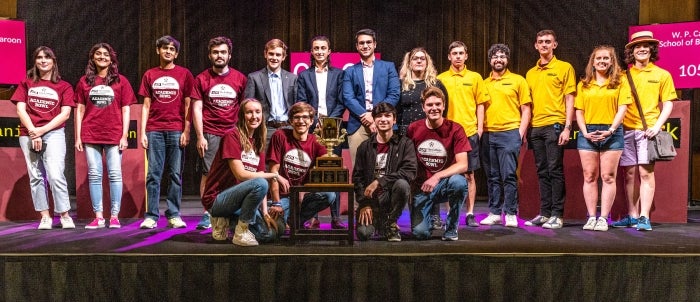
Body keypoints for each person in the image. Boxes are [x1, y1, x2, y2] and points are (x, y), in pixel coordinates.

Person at [612, 30, 676, 231]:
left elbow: (668, 104)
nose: (641, 49)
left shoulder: (662, 74)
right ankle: (632, 215)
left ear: (651, 50)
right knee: (629, 174)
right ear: (631, 51)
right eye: (637, 46)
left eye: (645, 46)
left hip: (647, 132)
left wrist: (657, 126)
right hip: (626, 131)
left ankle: (644, 217)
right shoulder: (623, 76)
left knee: (646, 174)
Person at [202, 98, 282, 246]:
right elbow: (241, 175)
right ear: (241, 116)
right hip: (218, 199)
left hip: (239, 202)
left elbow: (260, 180)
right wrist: (275, 175)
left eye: (257, 112)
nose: (254, 116)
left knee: (269, 234)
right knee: (260, 182)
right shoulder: (231, 135)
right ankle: (240, 232)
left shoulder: (258, 142)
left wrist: (264, 213)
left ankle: (226, 220)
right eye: (249, 112)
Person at [12, 46, 75, 230]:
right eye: (39, 57)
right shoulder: (27, 83)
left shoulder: (64, 86)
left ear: (53, 61)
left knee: (55, 174)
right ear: (35, 61)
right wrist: (33, 131)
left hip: (53, 132)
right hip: (28, 133)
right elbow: (20, 109)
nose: (43, 60)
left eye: (47, 57)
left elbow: (65, 115)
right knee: (36, 176)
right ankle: (45, 216)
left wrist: (42, 130)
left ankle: (64, 214)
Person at [74, 43, 136, 229]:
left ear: (112, 59)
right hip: (91, 133)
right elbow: (79, 110)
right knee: (94, 175)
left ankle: (114, 216)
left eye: (106, 54)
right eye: (98, 54)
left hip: (114, 134)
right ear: (92, 58)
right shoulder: (84, 81)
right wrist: (78, 136)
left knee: (115, 174)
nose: (102, 57)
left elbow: (126, 110)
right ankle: (99, 217)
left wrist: (124, 135)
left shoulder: (121, 81)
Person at [138, 35, 194, 229]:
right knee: (153, 174)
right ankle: (151, 215)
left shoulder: (185, 74)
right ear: (158, 50)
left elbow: (188, 104)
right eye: (164, 48)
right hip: (154, 130)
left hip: (176, 129)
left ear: (176, 53)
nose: (168, 51)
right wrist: (143, 131)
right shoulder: (150, 74)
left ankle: (174, 214)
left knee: (175, 174)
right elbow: (146, 105)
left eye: (172, 49)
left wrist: (186, 130)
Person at [191, 36, 247, 230]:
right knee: (208, 173)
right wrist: (199, 136)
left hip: (233, 133)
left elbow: (244, 109)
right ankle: (207, 213)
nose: (219, 55)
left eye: (223, 52)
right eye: (215, 52)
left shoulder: (240, 78)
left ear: (229, 55)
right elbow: (196, 109)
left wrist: (244, 135)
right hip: (210, 133)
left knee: (235, 174)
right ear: (210, 55)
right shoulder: (201, 79)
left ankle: (230, 211)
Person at [524, 30, 576, 229]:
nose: (544, 45)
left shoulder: (564, 68)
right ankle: (545, 213)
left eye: (548, 42)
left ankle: (557, 214)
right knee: (542, 170)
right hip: (536, 127)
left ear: (555, 45)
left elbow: (570, 98)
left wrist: (567, 127)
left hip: (555, 125)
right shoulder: (530, 73)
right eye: (540, 42)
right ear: (535, 46)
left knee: (555, 170)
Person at [575, 45, 631, 231]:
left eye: (606, 58)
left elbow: (623, 108)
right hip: (588, 132)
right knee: (590, 176)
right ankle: (591, 217)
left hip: (612, 132)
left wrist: (611, 129)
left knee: (608, 176)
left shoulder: (620, 81)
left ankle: (603, 218)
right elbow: (579, 112)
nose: (602, 61)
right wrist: (584, 132)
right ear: (593, 61)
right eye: (598, 58)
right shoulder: (584, 84)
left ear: (611, 61)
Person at [295, 35, 346, 229]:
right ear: (312, 51)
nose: (319, 51)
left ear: (329, 51)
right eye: (316, 48)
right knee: (312, 172)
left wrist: (329, 122)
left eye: (323, 48)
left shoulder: (339, 74)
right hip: (312, 129)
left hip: (334, 129)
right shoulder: (304, 75)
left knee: (334, 172)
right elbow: (302, 100)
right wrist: (315, 122)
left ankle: (335, 217)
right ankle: (313, 216)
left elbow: (342, 101)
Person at [437, 41, 489, 228]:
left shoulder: (475, 77)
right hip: (446, 134)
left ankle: (469, 213)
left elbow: (480, 104)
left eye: (461, 53)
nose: (458, 56)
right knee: (447, 175)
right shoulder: (440, 78)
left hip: (468, 132)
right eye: (454, 53)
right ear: (449, 57)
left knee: (469, 175)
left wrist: (480, 128)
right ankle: (451, 212)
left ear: (466, 56)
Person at [479, 44, 532, 228]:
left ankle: (510, 212)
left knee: (509, 175)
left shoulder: (518, 80)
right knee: (492, 176)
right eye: (495, 56)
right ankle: (494, 212)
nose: (498, 59)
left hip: (510, 132)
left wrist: (519, 133)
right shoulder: (483, 83)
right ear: (490, 60)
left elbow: (526, 109)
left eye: (502, 56)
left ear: (507, 60)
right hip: (487, 134)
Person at [408, 87, 469, 241]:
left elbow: (463, 165)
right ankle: (426, 221)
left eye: (437, 104)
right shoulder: (414, 129)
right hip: (421, 188)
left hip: (443, 184)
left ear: (443, 105)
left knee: (459, 182)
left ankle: (451, 227)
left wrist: (437, 176)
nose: (434, 108)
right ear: (423, 107)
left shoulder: (456, 129)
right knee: (420, 234)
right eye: (429, 105)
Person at [398, 47, 449, 232]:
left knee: (431, 172)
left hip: (430, 136)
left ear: (427, 62)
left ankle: (435, 215)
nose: (419, 61)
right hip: (407, 135)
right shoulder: (402, 84)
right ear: (409, 62)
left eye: (422, 59)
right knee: (412, 176)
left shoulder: (436, 84)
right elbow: (396, 111)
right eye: (415, 59)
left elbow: (445, 111)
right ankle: (416, 215)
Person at [266, 102, 338, 228]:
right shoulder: (280, 136)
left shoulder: (316, 141)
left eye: (305, 117)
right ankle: (288, 221)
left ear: (311, 121)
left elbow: (327, 165)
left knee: (329, 195)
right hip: (283, 197)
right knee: (276, 229)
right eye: (297, 117)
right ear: (291, 121)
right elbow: (273, 173)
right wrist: (276, 203)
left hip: (303, 196)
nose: (301, 121)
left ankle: (295, 221)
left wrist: (304, 190)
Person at [354, 103, 417, 241]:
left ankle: (391, 222)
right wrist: (364, 204)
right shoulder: (364, 147)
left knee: (402, 184)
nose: (383, 119)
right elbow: (357, 178)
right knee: (363, 234)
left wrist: (379, 181)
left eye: (387, 116)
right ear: (374, 120)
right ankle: (380, 223)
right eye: (379, 116)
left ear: (394, 120)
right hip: (371, 201)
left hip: (390, 197)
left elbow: (409, 171)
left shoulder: (405, 144)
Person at [342, 28, 400, 166]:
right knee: (359, 169)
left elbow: (394, 94)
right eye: (361, 43)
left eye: (369, 42)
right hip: (358, 124)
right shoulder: (350, 71)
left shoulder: (388, 67)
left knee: (386, 167)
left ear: (375, 44)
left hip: (383, 120)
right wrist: (366, 116)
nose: (365, 46)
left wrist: (375, 115)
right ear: (357, 46)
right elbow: (347, 97)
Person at [244, 39, 297, 144]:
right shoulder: (254, 78)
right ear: (265, 54)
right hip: (265, 129)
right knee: (265, 160)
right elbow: (247, 106)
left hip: (288, 129)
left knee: (289, 160)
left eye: (278, 55)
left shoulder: (293, 78)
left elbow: (296, 105)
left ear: (283, 57)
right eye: (271, 54)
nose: (274, 58)